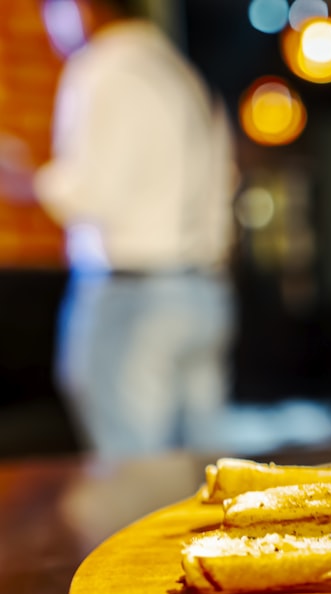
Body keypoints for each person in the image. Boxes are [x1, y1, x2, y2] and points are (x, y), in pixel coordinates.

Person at [34, 0, 239, 457]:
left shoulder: (102, 67)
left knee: (135, 481)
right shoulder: (187, 74)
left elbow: (90, 194)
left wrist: (27, 182)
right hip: (204, 291)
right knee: (204, 475)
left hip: (134, 294)